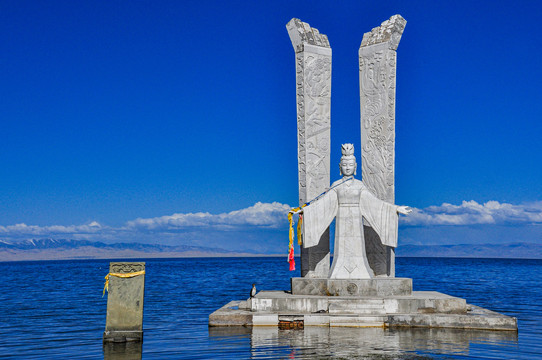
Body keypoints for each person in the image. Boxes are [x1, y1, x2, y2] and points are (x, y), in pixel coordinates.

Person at [300, 143, 410, 279]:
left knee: (357, 247)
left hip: (356, 218)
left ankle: (361, 269)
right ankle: (338, 270)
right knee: (341, 247)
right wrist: (305, 211)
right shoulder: (336, 185)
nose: (347, 167)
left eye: (350, 165)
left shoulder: (359, 185)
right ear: (340, 167)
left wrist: (394, 209)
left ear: (355, 167)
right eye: (345, 165)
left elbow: (374, 203)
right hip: (341, 217)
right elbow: (323, 204)